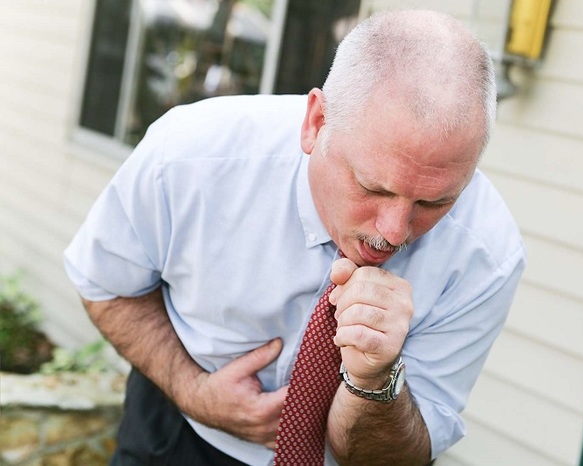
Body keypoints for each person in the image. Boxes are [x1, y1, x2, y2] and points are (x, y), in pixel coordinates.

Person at [64, 9, 526, 466]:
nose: (393, 231)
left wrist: (375, 379)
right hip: (176, 433)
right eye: (373, 187)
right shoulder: (190, 157)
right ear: (315, 122)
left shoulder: (487, 254)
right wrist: (193, 391)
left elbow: (396, 455)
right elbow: (106, 285)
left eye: (434, 203)